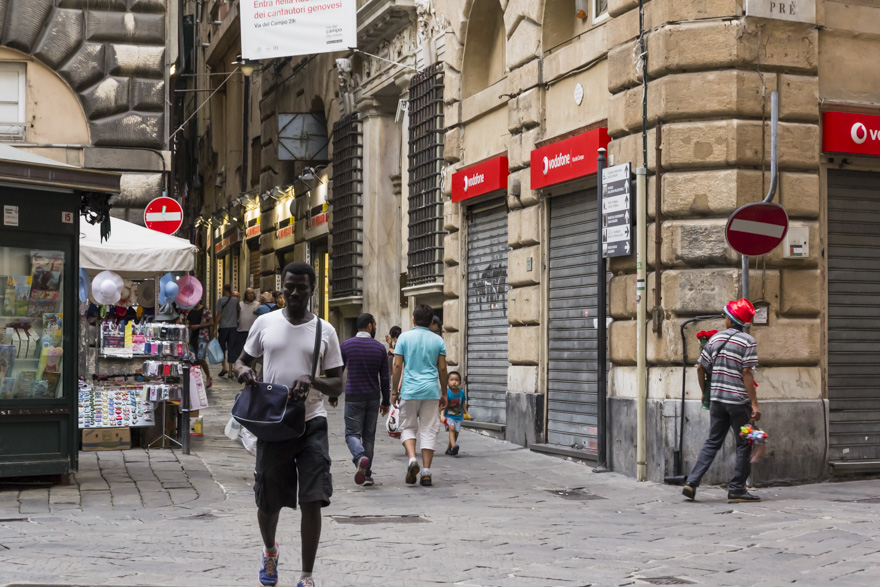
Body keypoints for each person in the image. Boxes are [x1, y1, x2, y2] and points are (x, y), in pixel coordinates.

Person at [235, 262, 343, 587]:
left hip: (312, 422)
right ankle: (270, 550)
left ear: (312, 290)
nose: (295, 293)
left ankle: (307, 576)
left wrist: (313, 380)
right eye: (290, 287)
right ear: (282, 287)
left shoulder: (326, 331)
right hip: (272, 424)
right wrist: (242, 371)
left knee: (313, 497)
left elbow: (338, 384)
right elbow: (241, 360)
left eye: (302, 288)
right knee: (267, 499)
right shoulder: (264, 323)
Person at [683, 298, 761, 504]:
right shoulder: (747, 341)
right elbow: (747, 373)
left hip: (717, 399)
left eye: (726, 315)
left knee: (712, 441)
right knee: (744, 444)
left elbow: (701, 367)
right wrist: (754, 404)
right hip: (738, 402)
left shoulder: (715, 339)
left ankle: (692, 482)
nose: (724, 318)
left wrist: (703, 392)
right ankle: (736, 489)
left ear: (731, 319)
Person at [392, 304, 448, 487]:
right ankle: (426, 472)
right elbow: (442, 368)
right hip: (431, 392)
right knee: (429, 429)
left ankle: (411, 460)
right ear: (432, 321)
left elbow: (397, 366)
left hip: (409, 391)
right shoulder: (438, 340)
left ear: (413, 320)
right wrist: (444, 392)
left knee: (408, 427)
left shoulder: (404, 338)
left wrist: (394, 391)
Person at [340, 313, 391, 486]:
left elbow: (337, 371)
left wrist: (332, 395)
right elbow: (385, 377)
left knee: (352, 434)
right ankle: (367, 474)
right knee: (369, 436)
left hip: (354, 396)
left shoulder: (346, 345)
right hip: (373, 397)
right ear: (370, 326)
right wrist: (386, 402)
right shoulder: (379, 348)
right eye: (375, 325)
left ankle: (360, 457)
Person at [186, 301, 214, 388]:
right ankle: (197, 378)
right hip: (192, 337)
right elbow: (188, 324)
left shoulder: (205, 310)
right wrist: (189, 326)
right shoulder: (190, 312)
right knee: (194, 360)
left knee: (201, 358)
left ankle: (208, 377)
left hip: (203, 336)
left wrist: (198, 326)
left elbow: (211, 323)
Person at [215, 284, 239, 378]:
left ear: (224, 290)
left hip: (223, 327)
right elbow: (238, 312)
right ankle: (230, 371)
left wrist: (214, 327)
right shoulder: (235, 301)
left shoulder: (221, 300)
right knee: (231, 347)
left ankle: (223, 367)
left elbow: (219, 314)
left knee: (222, 348)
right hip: (233, 327)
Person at [442, 371, 468, 455]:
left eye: (456, 380)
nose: (454, 382)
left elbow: (463, 403)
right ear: (447, 382)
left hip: (458, 416)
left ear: (460, 382)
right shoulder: (447, 392)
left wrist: (466, 412)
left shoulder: (461, 392)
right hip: (448, 416)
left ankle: (449, 449)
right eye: (451, 380)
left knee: (456, 433)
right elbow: (444, 404)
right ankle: (454, 446)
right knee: (452, 429)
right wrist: (442, 415)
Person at [233, 288, 260, 369]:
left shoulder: (258, 304)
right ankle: (243, 367)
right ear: (245, 295)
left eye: (252, 293)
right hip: (241, 330)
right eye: (249, 293)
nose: (251, 295)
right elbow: (236, 315)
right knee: (242, 350)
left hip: (253, 331)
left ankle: (252, 368)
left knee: (253, 351)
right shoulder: (240, 304)